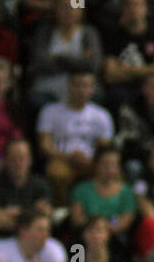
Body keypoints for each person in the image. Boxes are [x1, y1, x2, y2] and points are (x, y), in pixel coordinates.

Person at [36, 69, 114, 204]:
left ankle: (100, 209)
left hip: (91, 160)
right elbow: (44, 145)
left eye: (86, 86)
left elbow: (105, 147)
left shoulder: (101, 115)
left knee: (111, 172)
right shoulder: (50, 111)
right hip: (61, 158)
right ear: (69, 86)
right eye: (77, 85)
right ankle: (63, 209)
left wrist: (91, 160)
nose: (81, 90)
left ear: (92, 89)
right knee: (57, 174)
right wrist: (68, 157)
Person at [25, 0, 103, 111]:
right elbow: (39, 63)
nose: (68, 12)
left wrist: (57, 58)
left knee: (96, 97)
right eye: (64, 7)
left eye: (73, 7)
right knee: (35, 100)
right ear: (55, 10)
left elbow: (92, 65)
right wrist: (77, 62)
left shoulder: (89, 33)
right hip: (47, 89)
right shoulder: (44, 33)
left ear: (80, 11)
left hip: (81, 90)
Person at [101, 0, 154, 112]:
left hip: (151, 87)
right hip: (123, 89)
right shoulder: (113, 34)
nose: (133, 9)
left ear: (146, 8)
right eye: (128, 4)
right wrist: (146, 71)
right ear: (123, 8)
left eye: (137, 4)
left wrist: (126, 70)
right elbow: (110, 74)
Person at [0, 136, 51, 242]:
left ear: (30, 160)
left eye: (22, 158)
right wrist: (30, 215)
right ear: (5, 160)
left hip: (33, 240)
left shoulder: (40, 185)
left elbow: (45, 220)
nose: (18, 163)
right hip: (1, 239)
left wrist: (12, 215)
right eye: (14, 159)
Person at [69, 143, 137, 242]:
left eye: (114, 164)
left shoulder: (127, 192)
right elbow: (77, 218)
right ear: (96, 165)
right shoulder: (81, 189)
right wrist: (95, 230)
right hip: (86, 238)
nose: (110, 170)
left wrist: (103, 231)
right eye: (105, 164)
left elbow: (125, 221)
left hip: (115, 240)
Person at [0, 209, 68, 262]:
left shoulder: (54, 247)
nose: (46, 234)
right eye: (40, 230)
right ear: (24, 231)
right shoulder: (2, 248)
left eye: (47, 230)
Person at [69, 214, 135, 262]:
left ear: (108, 234)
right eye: (90, 231)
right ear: (83, 235)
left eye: (99, 230)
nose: (95, 235)